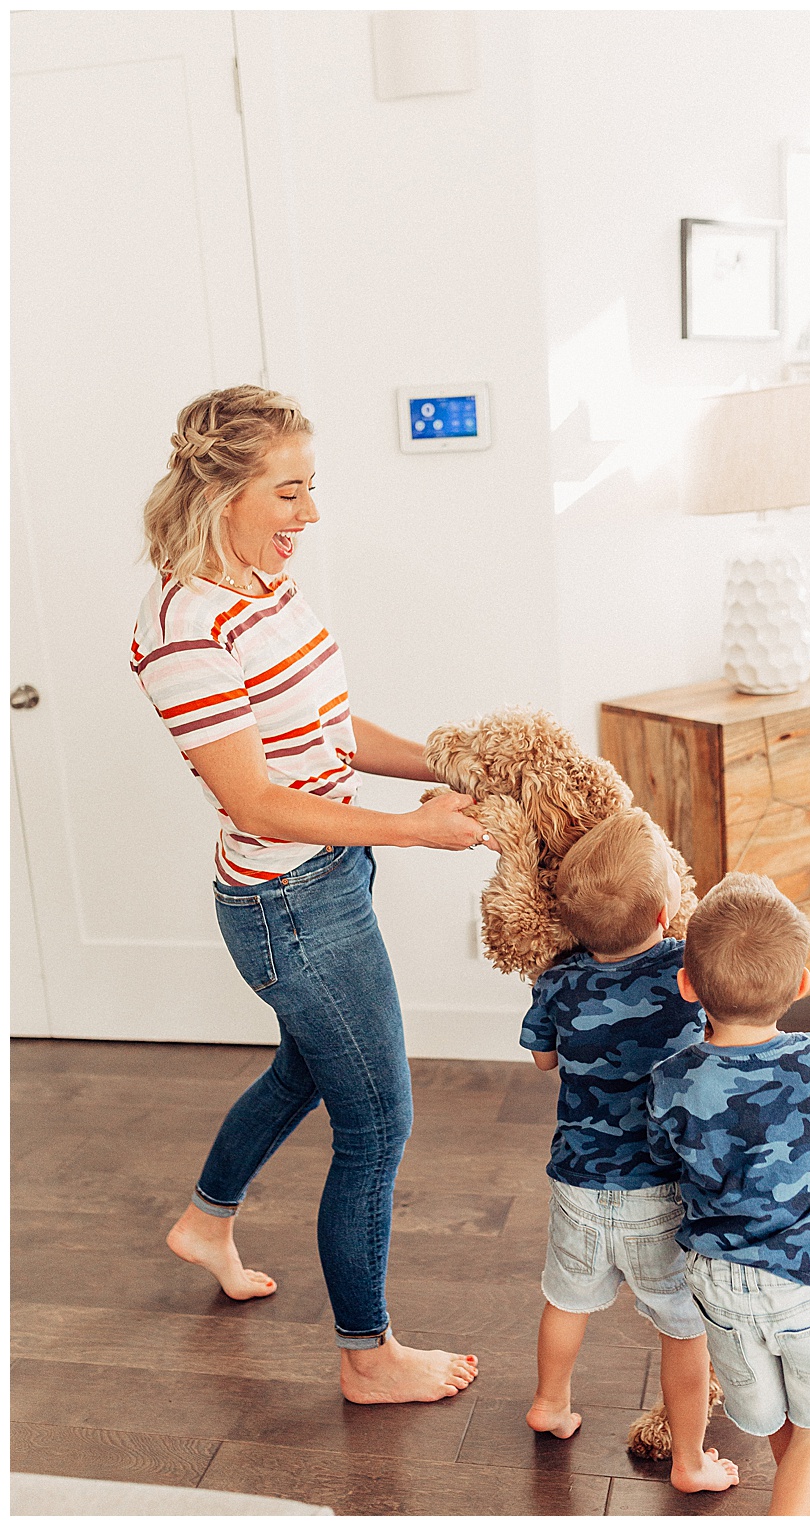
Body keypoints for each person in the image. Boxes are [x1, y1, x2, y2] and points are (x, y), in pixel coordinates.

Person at [131, 384, 491, 1404]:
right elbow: (255, 798)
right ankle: (367, 1357)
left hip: (330, 878)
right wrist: (416, 828)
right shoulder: (185, 630)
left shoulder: (263, 584)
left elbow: (328, 727)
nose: (311, 514)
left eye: (310, 487)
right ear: (224, 492)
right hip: (290, 906)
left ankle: (206, 1221)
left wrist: (451, 761)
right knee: (376, 1123)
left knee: (304, 1069)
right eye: (289, 492)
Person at [647, 872, 810, 1516]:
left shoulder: (671, 1079)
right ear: (802, 983)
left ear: (687, 984)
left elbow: (663, 1158)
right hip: (809, 1280)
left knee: (782, 1410)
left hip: (719, 1287)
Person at [519, 810, 739, 1495]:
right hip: (661, 1191)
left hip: (578, 1182)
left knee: (566, 1300)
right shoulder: (686, 970)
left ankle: (550, 1403)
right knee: (684, 1328)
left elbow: (543, 1060)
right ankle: (690, 1460)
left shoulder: (557, 981)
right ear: (668, 912)